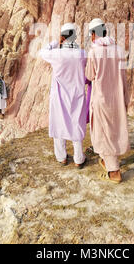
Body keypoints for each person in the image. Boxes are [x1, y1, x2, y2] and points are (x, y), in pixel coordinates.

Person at [85, 18, 130, 184]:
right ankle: (106, 160)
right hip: (117, 97)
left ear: (94, 34)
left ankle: (114, 171)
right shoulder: (118, 50)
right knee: (114, 130)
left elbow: (90, 75)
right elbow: (124, 76)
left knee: (104, 133)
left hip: (101, 98)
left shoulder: (93, 52)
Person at [39, 23, 88, 169]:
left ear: (63, 37)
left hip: (59, 95)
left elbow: (43, 52)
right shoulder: (82, 54)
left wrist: (56, 42)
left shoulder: (56, 54)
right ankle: (79, 158)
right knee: (76, 124)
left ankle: (62, 157)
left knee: (58, 123)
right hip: (77, 94)